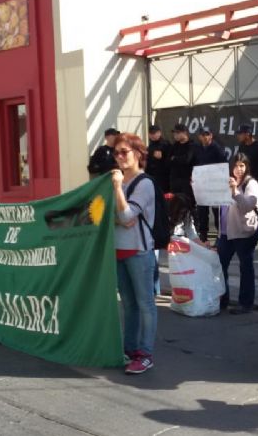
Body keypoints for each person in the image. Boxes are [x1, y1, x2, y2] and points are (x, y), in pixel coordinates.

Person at [111, 133, 157, 375]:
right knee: (128, 304)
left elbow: (127, 218)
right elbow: (112, 216)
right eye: (116, 152)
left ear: (138, 154)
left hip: (139, 252)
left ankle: (145, 353)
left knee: (145, 303)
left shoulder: (144, 183)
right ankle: (130, 350)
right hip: (118, 250)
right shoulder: (116, 181)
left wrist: (118, 188)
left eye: (124, 152)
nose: (119, 156)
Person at [217, 153, 258, 314]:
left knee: (246, 267)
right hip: (225, 232)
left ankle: (246, 303)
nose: (238, 169)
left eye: (242, 165)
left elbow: (247, 206)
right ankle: (222, 299)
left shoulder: (251, 184)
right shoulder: (226, 181)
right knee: (219, 266)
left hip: (244, 231)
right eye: (236, 165)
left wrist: (235, 190)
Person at [237, 124, 258, 253]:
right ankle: (249, 236)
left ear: (248, 134)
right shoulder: (241, 147)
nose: (238, 136)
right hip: (246, 183)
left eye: (241, 133)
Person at [194, 130, 227, 242]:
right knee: (202, 210)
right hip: (201, 183)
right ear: (199, 137)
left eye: (207, 134)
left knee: (217, 210)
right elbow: (194, 163)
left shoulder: (217, 148)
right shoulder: (197, 148)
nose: (205, 137)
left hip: (215, 184)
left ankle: (220, 235)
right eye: (203, 135)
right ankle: (203, 235)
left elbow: (223, 164)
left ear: (211, 135)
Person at [168, 124, 197, 198]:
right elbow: (168, 160)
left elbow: (187, 159)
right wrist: (175, 159)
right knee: (175, 202)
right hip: (175, 179)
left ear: (185, 133)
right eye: (174, 133)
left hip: (187, 179)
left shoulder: (192, 145)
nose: (175, 135)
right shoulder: (175, 145)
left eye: (177, 133)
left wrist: (175, 158)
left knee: (187, 201)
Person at [146, 125, 171, 192]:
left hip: (163, 176)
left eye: (154, 133)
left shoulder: (165, 144)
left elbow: (169, 159)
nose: (153, 135)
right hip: (151, 175)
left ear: (159, 133)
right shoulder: (150, 145)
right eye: (151, 133)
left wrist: (162, 157)